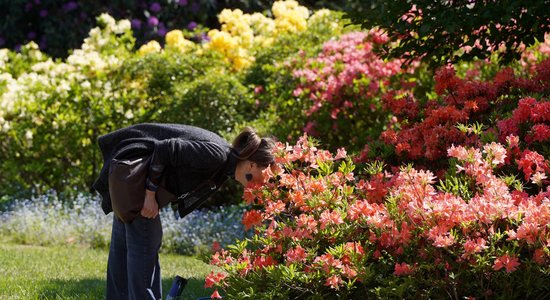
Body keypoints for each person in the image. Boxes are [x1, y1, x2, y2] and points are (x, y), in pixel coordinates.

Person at [92, 123, 275, 300]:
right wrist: (149, 195)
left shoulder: (224, 163)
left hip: (129, 181)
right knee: (144, 246)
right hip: (137, 184)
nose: (264, 184)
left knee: (122, 250)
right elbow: (165, 149)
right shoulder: (217, 156)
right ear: (252, 165)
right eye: (266, 175)